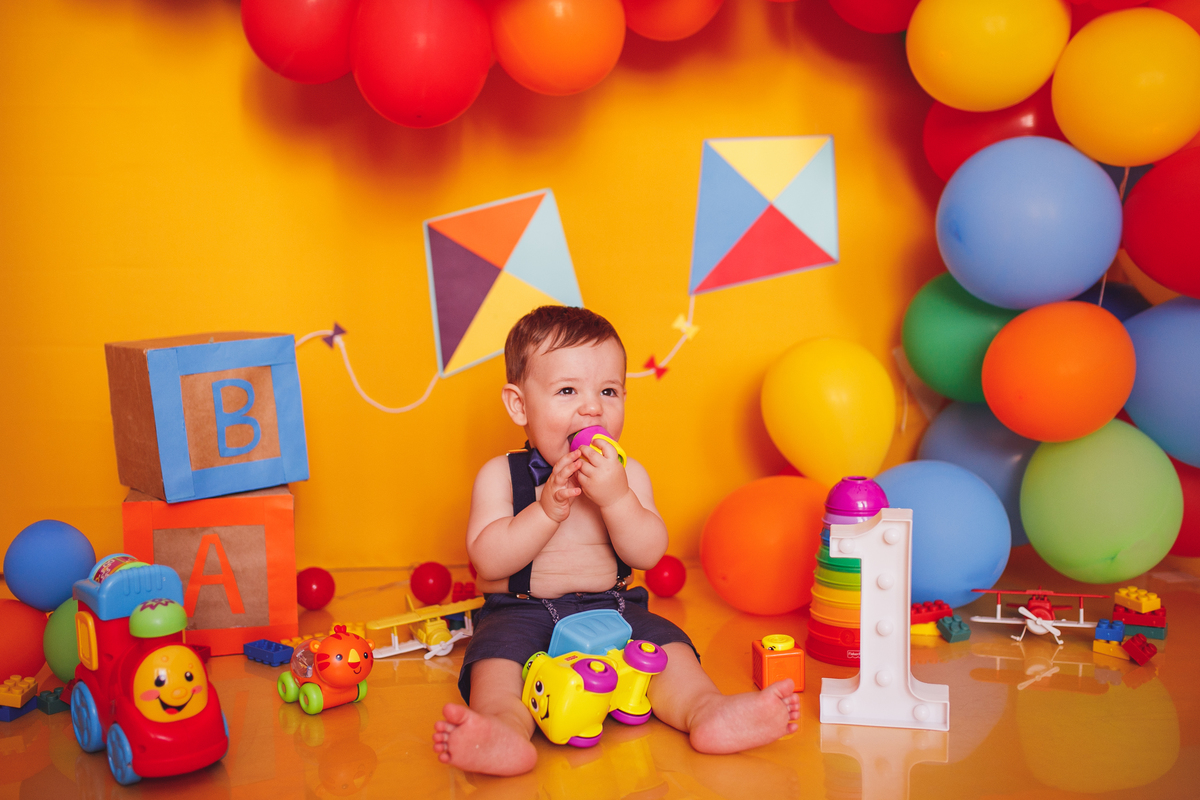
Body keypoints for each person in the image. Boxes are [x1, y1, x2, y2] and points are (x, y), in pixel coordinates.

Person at [432, 306, 799, 776]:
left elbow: (647, 552)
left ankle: (707, 710)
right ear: (519, 405)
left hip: (614, 607)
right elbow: (488, 561)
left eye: (608, 391)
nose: (592, 408)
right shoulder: (500, 475)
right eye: (567, 391)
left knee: (670, 652)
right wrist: (545, 511)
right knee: (496, 665)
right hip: (521, 613)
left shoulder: (630, 475)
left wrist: (617, 498)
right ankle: (503, 729)